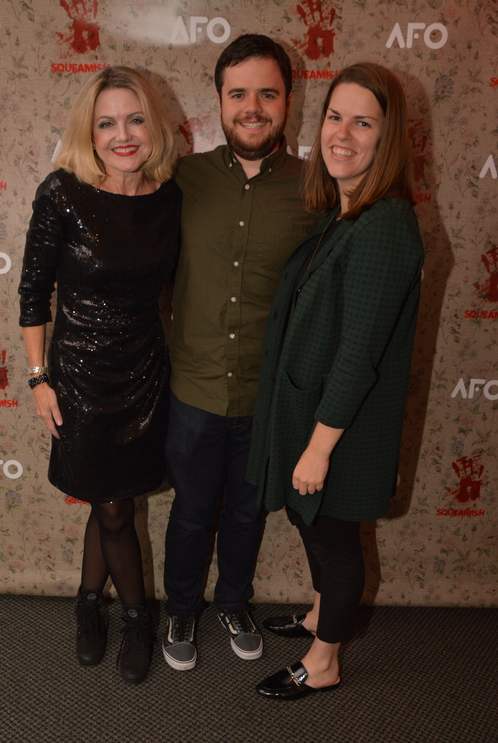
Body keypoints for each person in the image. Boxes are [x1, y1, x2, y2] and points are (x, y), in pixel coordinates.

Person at [247, 62, 425, 699]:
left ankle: (324, 663)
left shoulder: (384, 229)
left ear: (387, 138)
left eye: (363, 122)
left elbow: (357, 359)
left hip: (339, 430)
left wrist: (318, 449)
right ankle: (322, 614)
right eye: (334, 116)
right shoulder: (347, 215)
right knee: (313, 527)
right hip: (314, 418)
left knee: (337, 542)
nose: (341, 133)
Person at [18, 66, 181, 685]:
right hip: (80, 380)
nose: (123, 134)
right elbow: (33, 291)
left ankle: (89, 600)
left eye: (135, 118)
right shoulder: (62, 192)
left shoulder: (171, 198)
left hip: (145, 374)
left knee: (115, 499)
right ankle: (137, 615)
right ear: (89, 130)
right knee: (114, 508)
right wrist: (39, 379)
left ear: (154, 126)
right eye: (107, 122)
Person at [162, 34, 319, 672]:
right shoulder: (182, 179)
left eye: (267, 93)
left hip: (267, 395)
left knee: (249, 512)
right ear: (219, 102)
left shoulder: (316, 188)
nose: (252, 107)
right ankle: (179, 606)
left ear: (288, 100)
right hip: (192, 390)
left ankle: (233, 601)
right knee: (193, 511)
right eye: (238, 94)